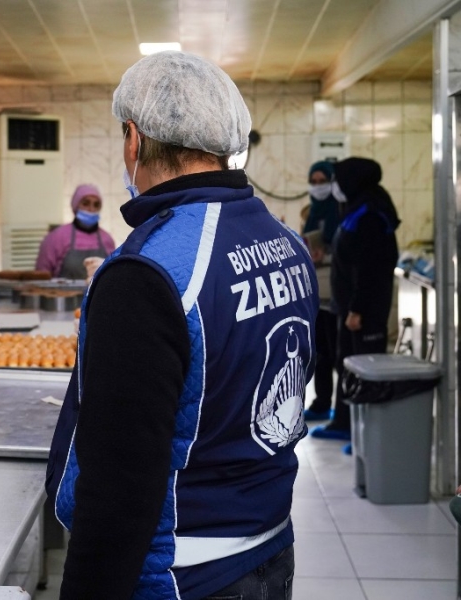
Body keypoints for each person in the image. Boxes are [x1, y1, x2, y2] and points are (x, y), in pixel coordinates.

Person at [45, 51, 317, 599]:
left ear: (133, 138)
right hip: (269, 550)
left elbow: (119, 482)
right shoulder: (286, 243)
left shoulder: (149, 270)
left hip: (182, 573)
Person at [310, 157, 399, 441]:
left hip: (364, 311)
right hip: (348, 307)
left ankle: (368, 435)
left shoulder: (371, 216)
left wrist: (357, 309)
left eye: (336, 180)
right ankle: (346, 424)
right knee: (347, 363)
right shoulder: (355, 210)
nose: (334, 186)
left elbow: (370, 268)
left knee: (366, 367)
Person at [302, 161, 341, 422]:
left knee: (338, 353)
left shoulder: (341, 210)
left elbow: (347, 250)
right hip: (317, 292)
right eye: (313, 182)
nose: (317, 187)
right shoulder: (312, 211)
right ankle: (321, 402)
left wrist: (325, 252)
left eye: (322, 181)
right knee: (322, 353)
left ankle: (343, 410)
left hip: (336, 291)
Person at [35, 184, 115, 279]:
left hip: (98, 294)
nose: (91, 209)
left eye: (96, 205)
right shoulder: (57, 237)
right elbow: (42, 276)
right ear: (76, 205)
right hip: (61, 293)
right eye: (86, 203)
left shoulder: (106, 239)